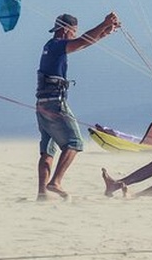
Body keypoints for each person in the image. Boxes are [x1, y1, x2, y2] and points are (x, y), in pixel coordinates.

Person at [36, 12, 120, 200]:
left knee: (47, 149)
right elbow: (82, 41)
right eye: (73, 32)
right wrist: (104, 22)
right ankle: (55, 182)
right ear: (66, 30)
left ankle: (42, 193)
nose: (74, 35)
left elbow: (84, 42)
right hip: (55, 103)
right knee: (74, 143)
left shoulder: (49, 46)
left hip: (41, 105)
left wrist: (106, 30)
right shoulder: (57, 46)